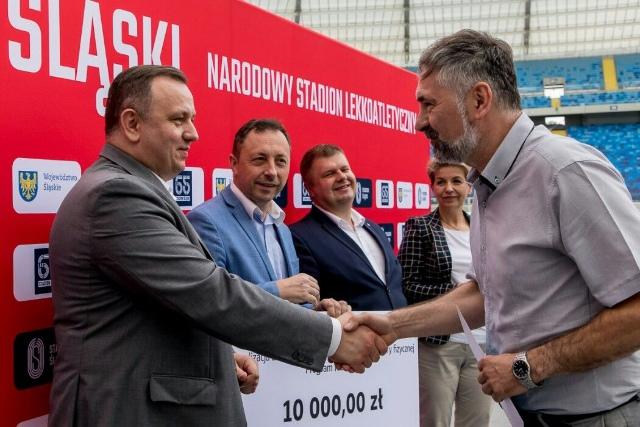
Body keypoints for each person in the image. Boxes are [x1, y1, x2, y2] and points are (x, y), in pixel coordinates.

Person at [48, 65, 386, 427]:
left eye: (192, 119)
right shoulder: (116, 195)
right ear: (132, 124)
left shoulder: (131, 189)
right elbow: (209, 293)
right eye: (178, 119)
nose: (193, 133)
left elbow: (167, 308)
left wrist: (221, 357)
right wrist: (332, 338)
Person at [345, 30, 640, 426]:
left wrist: (529, 367)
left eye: (429, 104)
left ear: (480, 100)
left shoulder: (565, 173)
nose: (419, 122)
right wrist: (393, 325)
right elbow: (486, 293)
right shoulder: (489, 182)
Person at [187, 119, 348, 316]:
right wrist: (277, 291)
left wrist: (315, 311)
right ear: (234, 164)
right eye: (260, 159)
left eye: (280, 161)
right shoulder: (206, 221)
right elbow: (208, 300)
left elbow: (289, 303)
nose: (271, 171)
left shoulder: (282, 228)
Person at [398, 160, 490, 427]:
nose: (448, 188)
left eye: (456, 181)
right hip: (438, 342)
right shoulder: (420, 227)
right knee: (433, 421)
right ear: (433, 187)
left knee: (477, 421)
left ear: (468, 186)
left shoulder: (483, 228)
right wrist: (457, 293)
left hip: (483, 342)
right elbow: (408, 285)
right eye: (441, 182)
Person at [290, 144, 407, 310]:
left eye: (345, 169)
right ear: (310, 188)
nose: (341, 177)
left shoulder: (374, 228)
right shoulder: (299, 237)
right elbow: (308, 304)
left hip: (402, 326)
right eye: (329, 173)